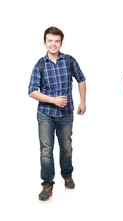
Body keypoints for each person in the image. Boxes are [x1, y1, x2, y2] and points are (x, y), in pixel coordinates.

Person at [28, 26, 87, 201]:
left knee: (66, 147)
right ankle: (47, 184)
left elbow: (81, 79)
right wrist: (53, 100)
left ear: (61, 42)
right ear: (44, 43)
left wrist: (83, 101)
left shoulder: (69, 61)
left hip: (66, 114)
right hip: (45, 114)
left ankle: (67, 175)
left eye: (57, 41)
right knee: (46, 150)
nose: (53, 44)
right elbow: (32, 91)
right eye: (50, 41)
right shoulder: (40, 64)